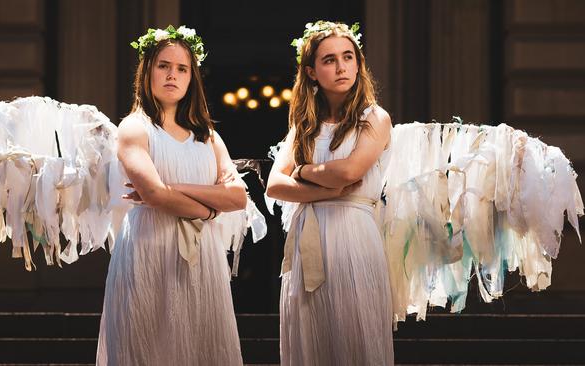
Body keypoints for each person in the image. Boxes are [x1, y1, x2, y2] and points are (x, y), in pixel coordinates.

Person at [96, 25, 246, 365]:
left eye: (181, 69)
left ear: (192, 77)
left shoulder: (207, 136)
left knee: (201, 343)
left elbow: (237, 197)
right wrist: (208, 209)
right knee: (148, 342)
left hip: (201, 253)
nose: (172, 75)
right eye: (164, 66)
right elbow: (153, 195)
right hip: (150, 246)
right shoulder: (135, 128)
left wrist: (175, 188)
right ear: (147, 70)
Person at [266, 21, 395, 365]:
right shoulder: (303, 127)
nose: (341, 67)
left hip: (353, 235)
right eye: (329, 60)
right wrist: (329, 188)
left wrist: (304, 171)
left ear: (358, 63)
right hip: (309, 236)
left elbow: (351, 172)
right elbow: (275, 185)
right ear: (311, 72)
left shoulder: (374, 118)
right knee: (311, 338)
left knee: (355, 335)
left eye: (348, 57)